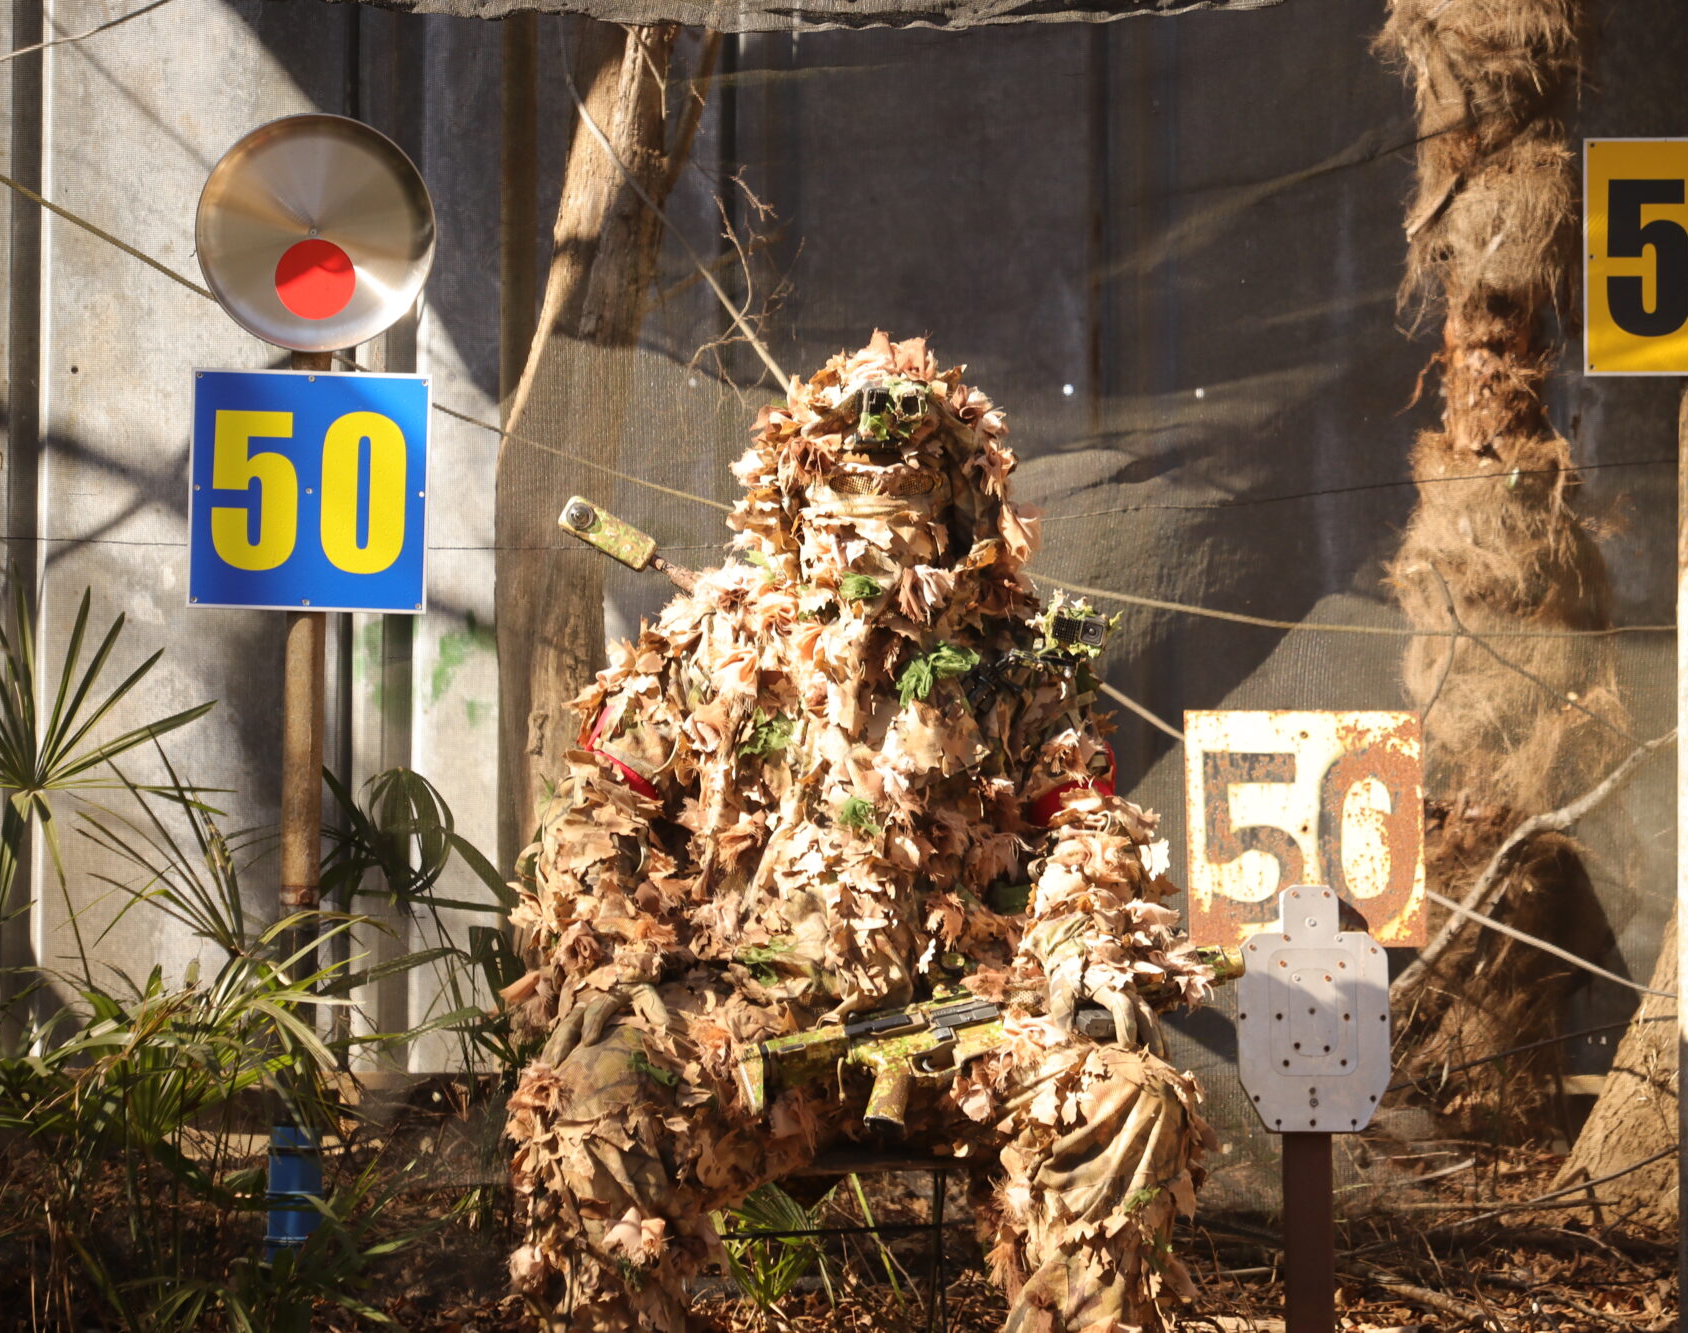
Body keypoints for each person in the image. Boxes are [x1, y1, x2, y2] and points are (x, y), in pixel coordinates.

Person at [503, 332, 1217, 1332]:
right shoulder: (714, 644)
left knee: (1126, 1098)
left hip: (966, 1023)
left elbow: (1083, 821)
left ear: (958, 515)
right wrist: (609, 951)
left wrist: (1078, 950)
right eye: (846, 509)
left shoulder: (1015, 668)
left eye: (907, 512)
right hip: (750, 1010)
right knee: (591, 1098)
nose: (874, 550)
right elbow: (597, 805)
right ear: (796, 507)